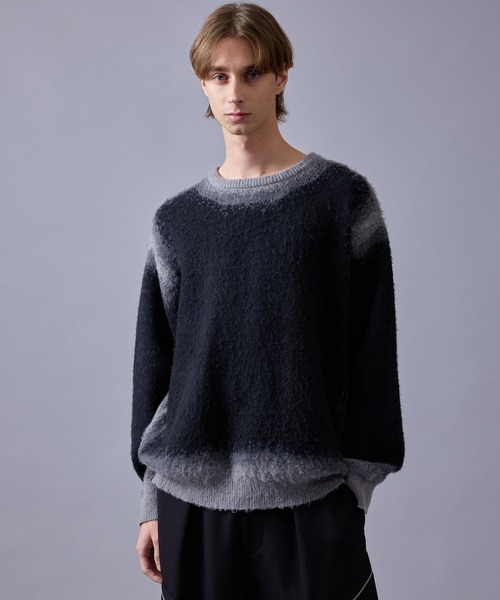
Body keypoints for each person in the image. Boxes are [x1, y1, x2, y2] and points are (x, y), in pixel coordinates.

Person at [131, 3, 404, 599]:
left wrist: (355, 488)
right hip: (190, 503)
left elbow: (373, 352)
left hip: (311, 501)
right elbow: (159, 366)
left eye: (252, 72)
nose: (235, 92)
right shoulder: (176, 221)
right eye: (220, 75)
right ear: (203, 82)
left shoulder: (342, 202)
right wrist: (152, 497)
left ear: (281, 76)